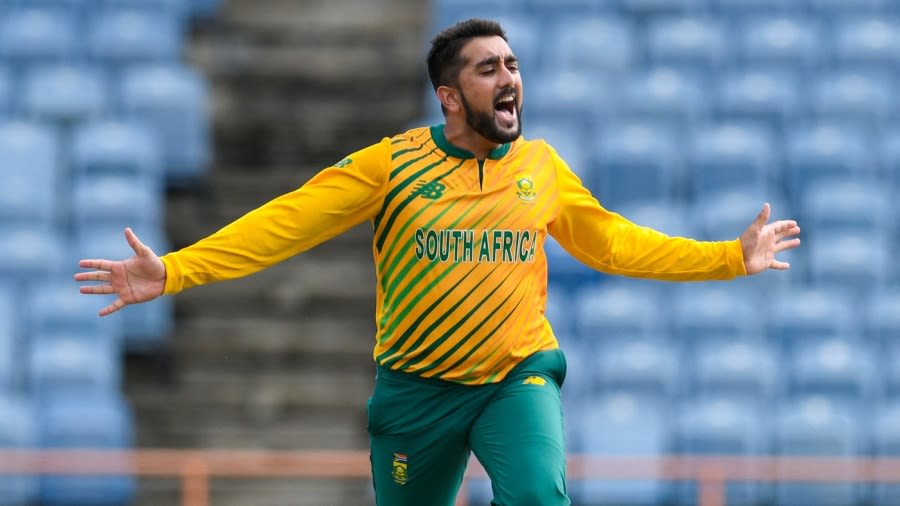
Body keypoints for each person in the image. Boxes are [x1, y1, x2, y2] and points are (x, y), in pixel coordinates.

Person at [75, 18, 801, 506]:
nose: (509, 78)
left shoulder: (541, 167)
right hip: (414, 391)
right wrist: (175, 270)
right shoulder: (392, 165)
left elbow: (612, 242)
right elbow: (286, 223)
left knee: (543, 496)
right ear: (450, 96)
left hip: (514, 378)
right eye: (489, 70)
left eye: (513, 65)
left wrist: (729, 258)